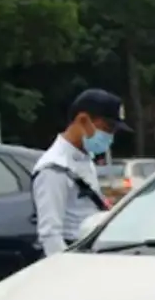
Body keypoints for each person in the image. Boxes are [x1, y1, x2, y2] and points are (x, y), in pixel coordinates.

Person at [32, 89, 131, 257]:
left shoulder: (83, 159)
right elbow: (50, 234)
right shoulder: (54, 169)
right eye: (108, 128)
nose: (111, 136)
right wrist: (68, 272)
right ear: (83, 120)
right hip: (72, 252)